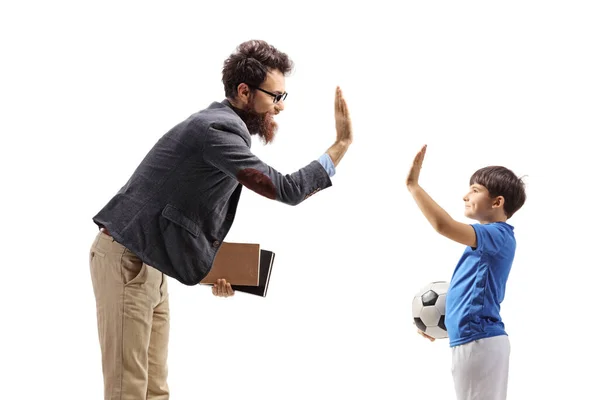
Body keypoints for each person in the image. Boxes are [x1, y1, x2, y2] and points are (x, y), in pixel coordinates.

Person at [89, 39, 353, 400]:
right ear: (245, 91)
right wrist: (340, 146)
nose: (279, 107)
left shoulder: (219, 129)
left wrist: (206, 268)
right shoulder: (216, 131)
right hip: (127, 261)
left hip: (148, 262)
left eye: (282, 97)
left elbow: (176, 213)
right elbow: (287, 190)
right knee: (128, 391)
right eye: (275, 97)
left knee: (154, 391)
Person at [406, 145, 526, 400]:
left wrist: (414, 186)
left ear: (497, 202)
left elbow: (443, 225)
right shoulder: (490, 241)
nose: (465, 196)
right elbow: (473, 293)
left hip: (480, 342)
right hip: (475, 341)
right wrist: (446, 324)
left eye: (475, 190)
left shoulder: (496, 235)